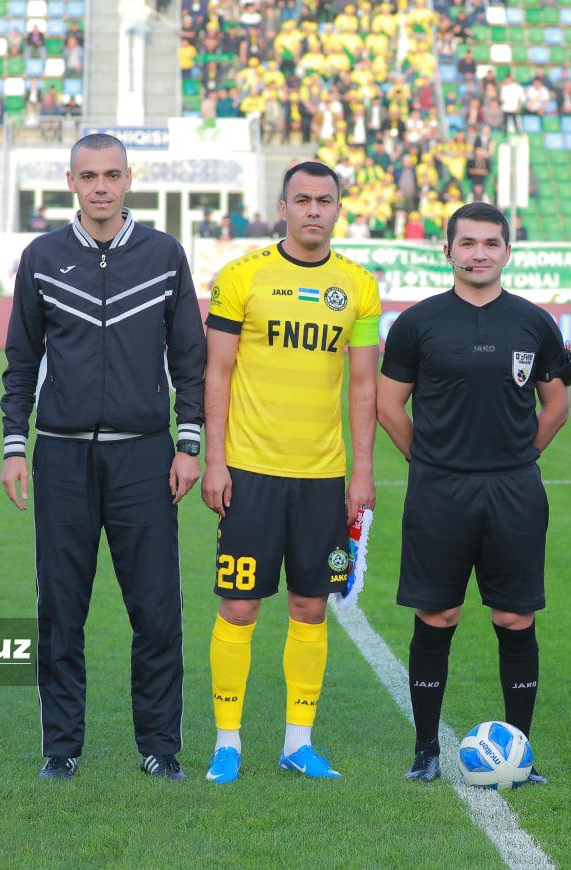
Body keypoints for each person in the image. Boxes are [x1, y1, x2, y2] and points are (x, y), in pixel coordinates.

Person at [0, 133, 207, 781]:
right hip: (61, 458)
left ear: (127, 180)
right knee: (61, 608)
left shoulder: (164, 256)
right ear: (71, 181)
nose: (101, 187)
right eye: (89, 175)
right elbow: (21, 360)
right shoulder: (42, 257)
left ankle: (159, 746)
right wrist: (14, 446)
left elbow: (190, 359)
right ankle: (61, 749)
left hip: (144, 459)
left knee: (156, 608)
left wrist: (188, 442)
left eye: (112, 175)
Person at [377, 202, 571, 783]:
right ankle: (424, 751)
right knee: (437, 614)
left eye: (491, 243)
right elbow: (389, 406)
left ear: (507, 252)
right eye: (468, 244)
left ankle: (522, 751)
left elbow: (557, 403)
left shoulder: (534, 323)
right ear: (449, 251)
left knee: (514, 617)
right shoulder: (418, 323)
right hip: (440, 490)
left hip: (514, 490)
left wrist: (519, 457)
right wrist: (432, 461)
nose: (479, 253)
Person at [201, 161, 380, 784]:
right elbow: (215, 373)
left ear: (337, 209)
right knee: (240, 607)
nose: (312, 210)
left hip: (323, 480)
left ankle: (297, 742)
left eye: (323, 201)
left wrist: (361, 474)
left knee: (311, 606)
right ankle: (228, 742)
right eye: (301, 200)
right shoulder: (242, 277)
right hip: (249, 473)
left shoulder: (358, 286)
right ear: (283, 207)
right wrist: (215, 461)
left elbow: (363, 384)